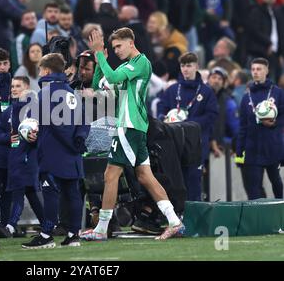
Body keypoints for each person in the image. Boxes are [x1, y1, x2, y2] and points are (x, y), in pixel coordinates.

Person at [80, 27, 184, 241]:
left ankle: (101, 229)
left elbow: (114, 75)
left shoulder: (141, 63)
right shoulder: (128, 67)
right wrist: (100, 63)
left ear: (130, 42)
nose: (116, 50)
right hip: (133, 127)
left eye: (119, 45)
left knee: (110, 175)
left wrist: (99, 52)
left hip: (129, 126)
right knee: (145, 176)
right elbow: (100, 86)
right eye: (113, 47)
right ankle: (174, 221)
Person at [21, 53, 90, 249]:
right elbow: (84, 121)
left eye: (41, 69)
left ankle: (46, 235)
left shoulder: (45, 94)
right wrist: (78, 141)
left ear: (47, 71)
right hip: (73, 153)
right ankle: (73, 234)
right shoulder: (71, 93)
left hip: (52, 152)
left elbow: (38, 122)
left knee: (50, 192)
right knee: (72, 193)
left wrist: (32, 135)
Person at [157, 52, 218, 201]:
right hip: (174, 145)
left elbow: (211, 116)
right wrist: (163, 118)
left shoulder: (206, 92)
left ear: (197, 67)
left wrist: (188, 124)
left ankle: (194, 220)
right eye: (183, 66)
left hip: (196, 145)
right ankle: (175, 218)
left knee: (193, 181)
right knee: (174, 181)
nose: (185, 69)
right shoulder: (172, 89)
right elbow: (161, 108)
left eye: (189, 65)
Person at [0, 76, 44, 238]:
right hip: (14, 156)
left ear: (27, 87)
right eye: (12, 87)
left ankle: (10, 225)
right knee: (30, 192)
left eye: (18, 86)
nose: (14, 89)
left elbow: (42, 131)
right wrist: (7, 138)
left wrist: (36, 138)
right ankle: (47, 223)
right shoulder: (9, 110)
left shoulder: (35, 109)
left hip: (28, 157)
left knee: (19, 190)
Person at [236, 58, 284, 200]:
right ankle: (258, 218)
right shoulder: (246, 97)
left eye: (259, 69)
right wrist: (239, 151)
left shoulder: (278, 93)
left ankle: (281, 211)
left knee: (276, 182)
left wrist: (274, 123)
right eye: (253, 69)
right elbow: (242, 126)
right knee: (254, 188)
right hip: (252, 148)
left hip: (272, 146)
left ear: (267, 71)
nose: (256, 72)